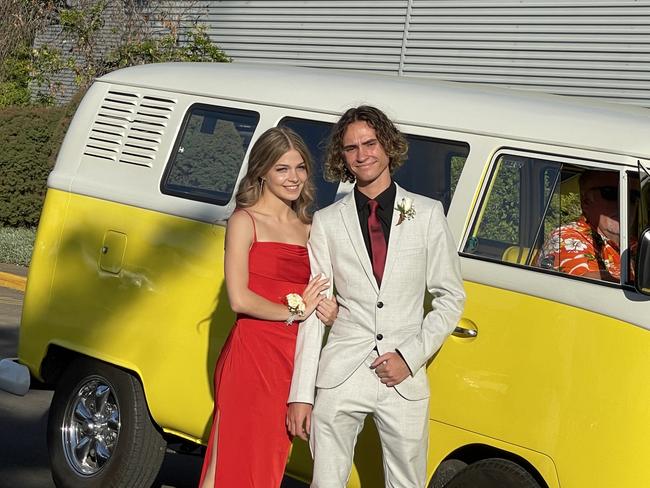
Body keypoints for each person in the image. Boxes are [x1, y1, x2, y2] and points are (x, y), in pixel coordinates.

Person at [286, 106, 466, 487]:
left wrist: (410, 357)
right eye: (351, 148)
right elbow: (315, 309)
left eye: (369, 143)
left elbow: (450, 298)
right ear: (342, 157)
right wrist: (301, 394)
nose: (362, 154)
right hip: (340, 374)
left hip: (403, 376)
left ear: (387, 146)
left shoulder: (429, 214)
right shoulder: (327, 221)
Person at [199, 127, 338, 488]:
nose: (293, 178)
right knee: (235, 452)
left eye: (300, 168)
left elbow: (323, 288)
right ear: (262, 171)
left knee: (270, 458)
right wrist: (295, 312)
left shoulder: (311, 226)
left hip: (294, 359)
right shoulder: (244, 221)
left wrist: (329, 309)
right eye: (282, 169)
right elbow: (239, 298)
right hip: (252, 354)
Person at [538, 170, 626, 282]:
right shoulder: (566, 237)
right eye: (611, 194)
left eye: (632, 197)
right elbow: (588, 285)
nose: (623, 203)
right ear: (586, 201)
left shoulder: (635, 243)